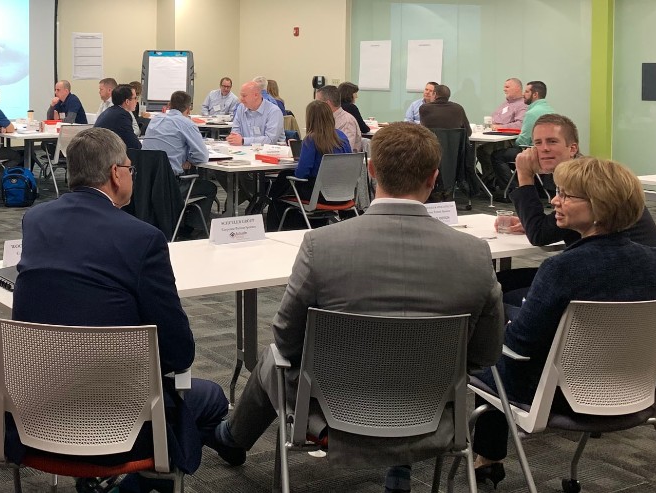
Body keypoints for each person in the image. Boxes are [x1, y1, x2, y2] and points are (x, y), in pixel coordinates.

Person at [214, 122, 503, 493]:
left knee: (273, 358)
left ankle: (230, 438)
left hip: (336, 414)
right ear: (433, 178)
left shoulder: (322, 244)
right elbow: (485, 354)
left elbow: (286, 339)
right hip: (432, 415)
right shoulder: (475, 255)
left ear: (370, 170)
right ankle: (398, 465)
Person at [11, 127, 238, 492]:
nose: (131, 174)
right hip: (118, 417)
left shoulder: (36, 220)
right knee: (210, 397)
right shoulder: (142, 238)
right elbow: (179, 352)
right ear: (116, 173)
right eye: (130, 168)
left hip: (35, 407)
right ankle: (133, 485)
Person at [470, 157, 656, 489]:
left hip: (560, 395)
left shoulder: (562, 269)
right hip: (635, 391)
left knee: (486, 354)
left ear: (599, 206)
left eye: (566, 195)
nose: (554, 200)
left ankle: (486, 459)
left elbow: (519, 347)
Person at [493, 114, 656, 304]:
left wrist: (524, 176)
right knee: (500, 281)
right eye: (538, 143)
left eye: (552, 141)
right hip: (635, 274)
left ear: (572, 148)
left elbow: (539, 235)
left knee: (498, 295)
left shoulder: (587, 182)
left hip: (622, 282)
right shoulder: (577, 175)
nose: (544, 149)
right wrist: (537, 221)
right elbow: (546, 228)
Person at [141, 90, 219, 237]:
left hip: (148, 182)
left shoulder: (155, 120)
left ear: (169, 105)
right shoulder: (186, 124)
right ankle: (193, 229)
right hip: (172, 185)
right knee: (209, 187)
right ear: (188, 108)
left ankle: (182, 222)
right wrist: (189, 159)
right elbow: (202, 156)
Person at [267, 100, 352, 220]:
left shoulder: (311, 140)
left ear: (310, 118)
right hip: (344, 192)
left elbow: (301, 173)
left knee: (281, 183)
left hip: (318, 194)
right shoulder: (342, 136)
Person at [491, 81, 554, 195]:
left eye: (526, 91)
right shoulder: (550, 110)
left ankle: (512, 190)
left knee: (497, 155)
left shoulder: (532, 113)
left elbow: (523, 141)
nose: (523, 94)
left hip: (532, 151)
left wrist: (512, 143)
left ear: (535, 94)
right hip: (547, 152)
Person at [475, 78, 528, 184]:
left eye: (507, 87)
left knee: (483, 151)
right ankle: (489, 181)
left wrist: (499, 127)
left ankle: (491, 181)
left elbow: (519, 125)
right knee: (473, 149)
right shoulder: (505, 104)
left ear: (517, 88)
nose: (504, 89)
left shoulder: (522, 105)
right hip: (495, 137)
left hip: (508, 141)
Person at [228, 80, 284, 146]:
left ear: (256, 95)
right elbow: (235, 132)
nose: (241, 99)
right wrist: (233, 139)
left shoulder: (274, 111)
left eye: (244, 96)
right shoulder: (241, 108)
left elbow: (270, 140)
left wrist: (243, 141)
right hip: (246, 152)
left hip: (270, 153)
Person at [315, 85, 363, 153]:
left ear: (327, 104)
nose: (315, 106)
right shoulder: (326, 119)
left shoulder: (346, 121)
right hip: (328, 159)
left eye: (317, 102)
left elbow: (345, 151)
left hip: (342, 161)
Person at [93, 85, 141, 149]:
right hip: (104, 154)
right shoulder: (122, 116)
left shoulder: (110, 111)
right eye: (135, 98)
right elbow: (134, 145)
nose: (136, 101)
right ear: (127, 101)